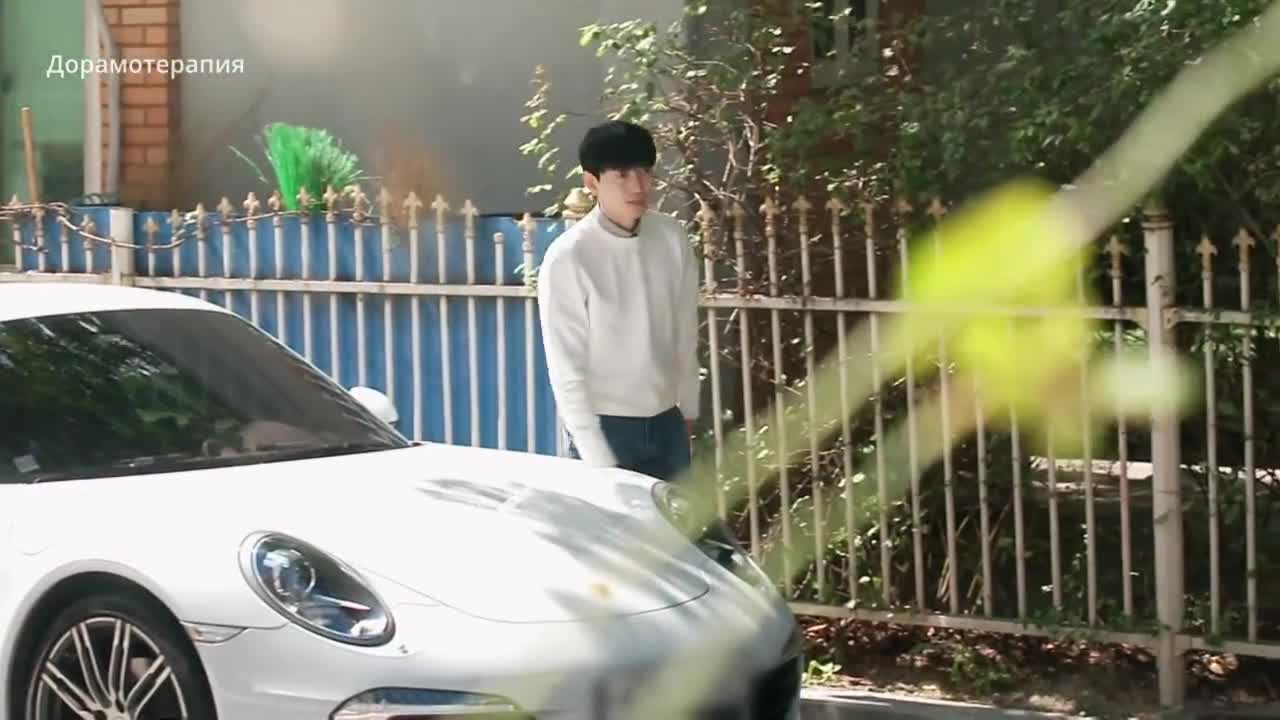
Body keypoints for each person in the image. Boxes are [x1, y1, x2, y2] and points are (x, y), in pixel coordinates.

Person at [536, 120, 701, 482]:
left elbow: (686, 330)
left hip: (668, 424)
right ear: (592, 182)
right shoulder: (569, 257)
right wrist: (594, 452)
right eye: (622, 174)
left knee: (678, 522)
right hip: (606, 428)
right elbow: (566, 367)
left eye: (645, 171)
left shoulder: (671, 238)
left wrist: (688, 410)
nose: (638, 185)